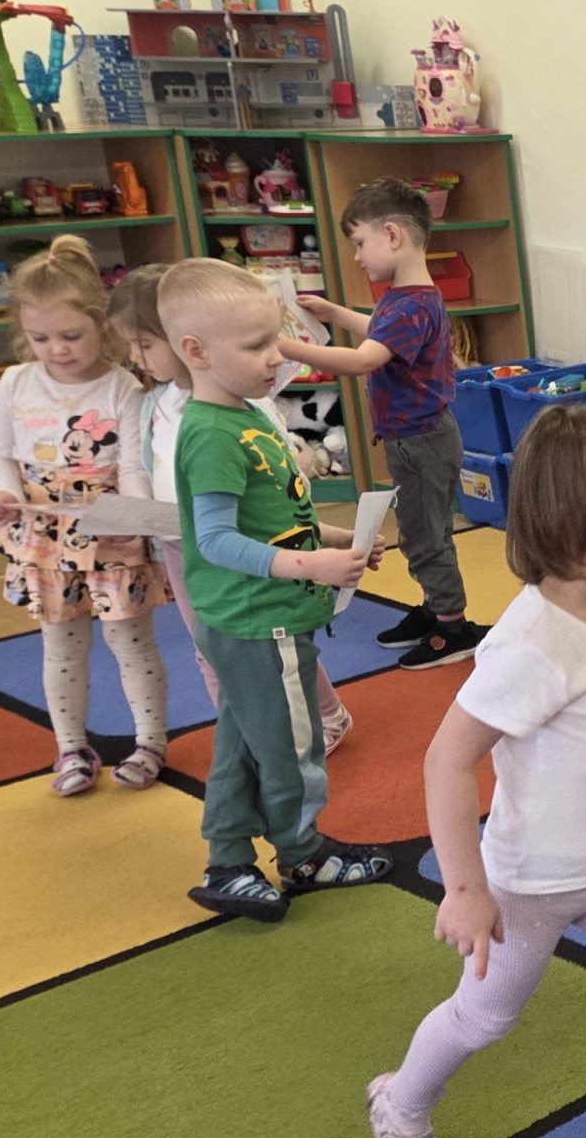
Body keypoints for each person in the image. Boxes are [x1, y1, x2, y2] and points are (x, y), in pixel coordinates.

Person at [365, 409, 586, 1138]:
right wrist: (465, 889)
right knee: (484, 1017)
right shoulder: (533, 645)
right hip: (529, 885)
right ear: (572, 523)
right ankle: (400, 1105)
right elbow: (447, 758)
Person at [164, 259, 393, 922]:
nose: (277, 356)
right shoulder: (212, 433)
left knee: (241, 743)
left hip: (253, 617)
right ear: (196, 352)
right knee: (293, 746)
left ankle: (228, 862)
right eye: (256, 346)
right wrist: (310, 566)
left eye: (276, 339)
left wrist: (334, 536)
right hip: (258, 619)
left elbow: (270, 513)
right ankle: (303, 854)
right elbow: (215, 539)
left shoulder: (246, 414)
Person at [112, 264, 351, 753]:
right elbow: (139, 464)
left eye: (144, 344)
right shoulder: (152, 404)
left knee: (279, 640)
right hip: (184, 546)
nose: (134, 358)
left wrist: (317, 537)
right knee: (213, 648)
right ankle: (247, 738)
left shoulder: (240, 406)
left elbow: (281, 478)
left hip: (251, 543)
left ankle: (324, 715)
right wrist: (136, 513)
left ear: (184, 343)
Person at [0, 236, 171, 796]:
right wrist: (1, 492)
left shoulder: (123, 387)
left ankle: (151, 742)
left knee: (130, 642)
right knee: (61, 647)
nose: (56, 350)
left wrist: (132, 517)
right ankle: (70, 748)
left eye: (70, 336)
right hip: (44, 535)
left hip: (111, 531)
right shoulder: (15, 383)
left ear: (101, 324)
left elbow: (132, 466)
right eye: (40, 339)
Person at [295, 178, 482, 670]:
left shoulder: (411, 303)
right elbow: (379, 333)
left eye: (360, 243)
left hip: (422, 441)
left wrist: (284, 347)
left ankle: (453, 628)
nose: (357, 257)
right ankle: (435, 607)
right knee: (423, 530)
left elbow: (364, 359)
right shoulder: (408, 299)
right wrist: (333, 313)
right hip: (417, 438)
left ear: (393, 235)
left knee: (426, 537)